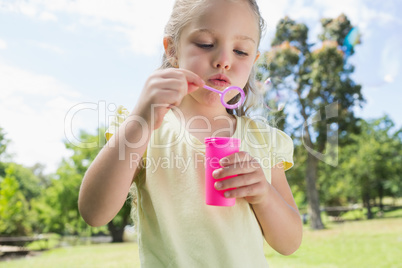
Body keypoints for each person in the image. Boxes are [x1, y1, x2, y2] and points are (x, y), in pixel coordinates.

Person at [78, 0, 303, 267]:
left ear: (253, 60)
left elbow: (289, 243)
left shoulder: (263, 140)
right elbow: (94, 213)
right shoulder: (148, 129)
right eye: (206, 43)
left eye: (240, 51)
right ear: (172, 49)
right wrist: (141, 119)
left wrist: (263, 194)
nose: (223, 60)